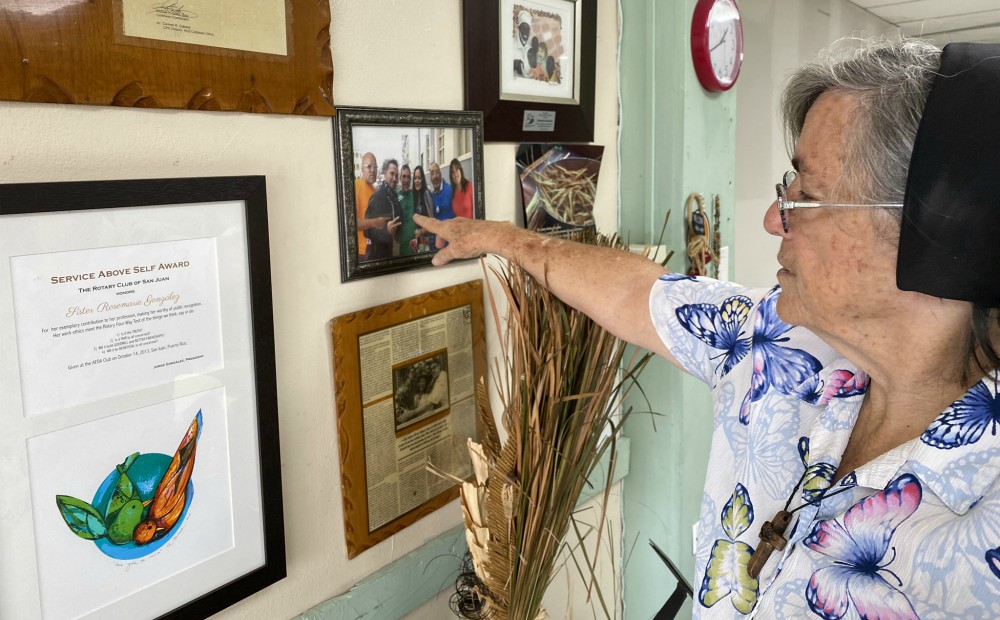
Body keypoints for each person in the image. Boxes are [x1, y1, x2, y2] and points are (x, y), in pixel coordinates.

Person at [415, 39, 1000, 618]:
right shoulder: (773, 342)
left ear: (934, 231)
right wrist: (502, 240)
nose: (773, 218)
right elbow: (632, 292)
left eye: (805, 196)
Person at [363, 159, 401, 261]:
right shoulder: (377, 197)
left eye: (396, 175)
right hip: (380, 257)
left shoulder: (394, 196)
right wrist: (385, 230)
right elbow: (366, 230)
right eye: (392, 174)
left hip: (393, 254)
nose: (394, 178)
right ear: (385, 173)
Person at [354, 153, 390, 257]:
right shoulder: (356, 186)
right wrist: (376, 222)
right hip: (362, 251)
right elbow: (353, 224)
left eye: (375, 167)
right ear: (362, 169)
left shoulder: (376, 192)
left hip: (375, 249)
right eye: (369, 166)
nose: (373, 170)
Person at [409, 165, 433, 253]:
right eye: (415, 178)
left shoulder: (427, 193)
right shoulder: (413, 195)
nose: (417, 181)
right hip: (417, 242)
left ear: (423, 179)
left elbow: (433, 221)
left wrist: (421, 232)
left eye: (419, 178)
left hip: (427, 241)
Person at [513, 10, 533, 78]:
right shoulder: (511, 44)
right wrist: (513, 64)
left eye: (528, 29)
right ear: (519, 28)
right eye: (523, 27)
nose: (526, 31)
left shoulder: (531, 50)